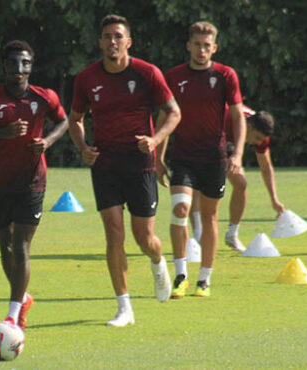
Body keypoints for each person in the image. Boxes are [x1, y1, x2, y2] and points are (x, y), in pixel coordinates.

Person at [68, 14, 181, 326]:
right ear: (100, 42)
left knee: (144, 238)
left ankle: (158, 262)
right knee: (113, 233)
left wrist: (155, 140)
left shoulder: (147, 73)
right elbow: (74, 118)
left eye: (118, 36)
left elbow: (173, 112)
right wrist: (83, 148)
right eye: (107, 36)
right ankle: (124, 307)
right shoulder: (87, 78)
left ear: (128, 42)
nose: (112, 41)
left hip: (139, 164)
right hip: (105, 164)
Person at [0, 40, 69, 329]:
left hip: (32, 182)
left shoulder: (44, 97)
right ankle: (22, 298)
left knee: (21, 246)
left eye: (25, 64)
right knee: (5, 248)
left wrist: (47, 141)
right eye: (13, 63)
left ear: (31, 67)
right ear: (4, 66)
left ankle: (13, 316)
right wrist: (2, 133)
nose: (19, 69)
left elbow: (65, 122)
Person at [157, 21, 246, 299]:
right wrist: (158, 156)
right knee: (180, 209)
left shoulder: (225, 75)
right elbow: (164, 118)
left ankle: (204, 280)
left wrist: (238, 153)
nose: (201, 50)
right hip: (183, 157)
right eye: (197, 44)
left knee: (209, 217)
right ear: (188, 45)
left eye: (207, 45)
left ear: (214, 48)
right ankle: (181, 275)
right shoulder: (172, 76)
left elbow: (237, 115)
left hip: (214, 158)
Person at [189, 106, 286, 251]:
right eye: (258, 138)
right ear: (249, 126)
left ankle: (232, 235)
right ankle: (198, 237)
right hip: (201, 133)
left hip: (224, 143)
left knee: (241, 183)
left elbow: (266, 167)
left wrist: (274, 200)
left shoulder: (261, 137)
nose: (258, 143)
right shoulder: (226, 119)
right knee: (197, 184)